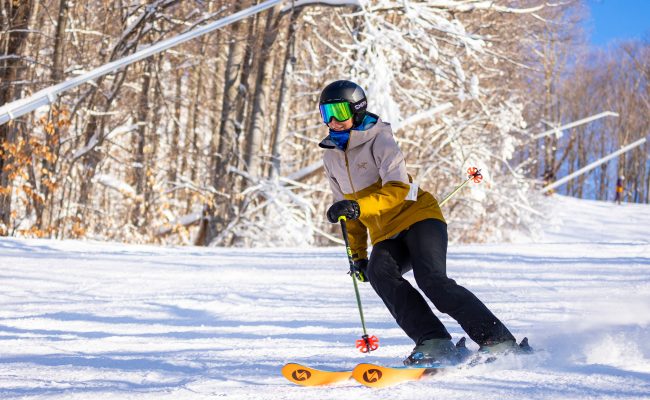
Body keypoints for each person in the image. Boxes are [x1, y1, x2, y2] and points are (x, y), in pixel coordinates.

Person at [318, 80, 529, 366]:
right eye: (326, 113)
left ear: (356, 111)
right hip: (387, 234)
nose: (333, 121)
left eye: (339, 112)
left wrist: (358, 206)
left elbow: (398, 188)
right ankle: (434, 341)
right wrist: (357, 255)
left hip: (419, 218)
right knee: (380, 274)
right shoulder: (330, 156)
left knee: (432, 280)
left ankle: (498, 339)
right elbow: (349, 214)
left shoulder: (380, 139)